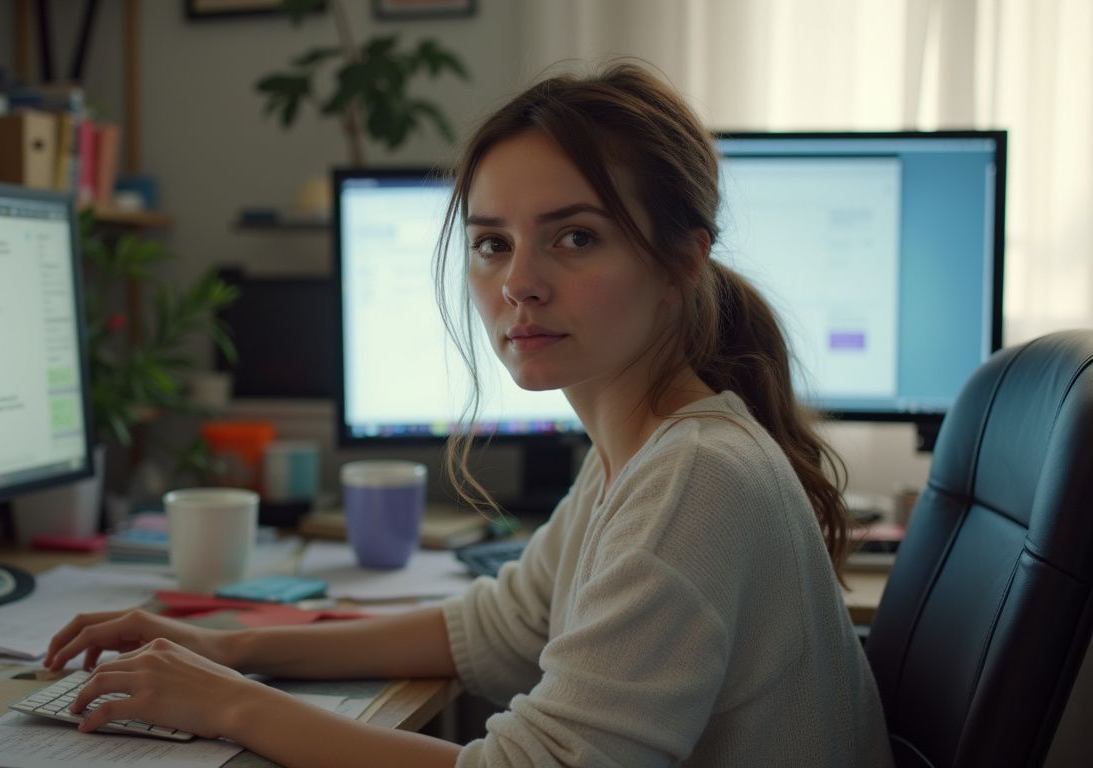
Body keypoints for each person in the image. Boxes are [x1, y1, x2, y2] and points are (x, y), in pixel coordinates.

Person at [44, 63, 892, 767]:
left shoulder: (693, 476)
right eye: (492, 243)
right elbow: (494, 628)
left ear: (680, 260)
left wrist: (233, 709)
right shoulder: (638, 455)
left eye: (575, 237)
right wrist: (232, 646)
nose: (519, 281)